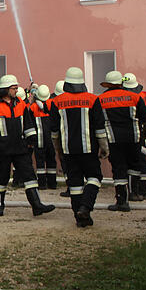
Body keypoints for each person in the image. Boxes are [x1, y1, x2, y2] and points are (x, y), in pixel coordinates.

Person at [0, 75, 54, 216]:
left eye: (17, 88)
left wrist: (31, 141)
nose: (16, 91)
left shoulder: (21, 104)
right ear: (6, 89)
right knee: (1, 178)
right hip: (3, 149)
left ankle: (37, 205)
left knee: (29, 176)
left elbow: (28, 125)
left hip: (21, 147)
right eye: (14, 88)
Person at [49, 67, 108, 227]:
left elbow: (54, 131)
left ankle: (79, 217)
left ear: (67, 82)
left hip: (68, 150)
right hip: (89, 149)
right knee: (95, 177)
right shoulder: (93, 99)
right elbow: (100, 127)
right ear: (82, 82)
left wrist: (58, 149)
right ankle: (86, 207)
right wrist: (104, 147)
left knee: (74, 184)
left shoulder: (56, 102)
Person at [97, 71, 146, 212]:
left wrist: (100, 144)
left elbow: (97, 121)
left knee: (119, 168)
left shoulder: (100, 99)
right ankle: (134, 193)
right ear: (121, 83)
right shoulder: (135, 97)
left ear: (107, 84)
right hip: (134, 138)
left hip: (113, 139)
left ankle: (121, 201)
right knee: (134, 165)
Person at [121, 73, 146, 200]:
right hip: (143, 130)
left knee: (135, 161)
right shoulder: (142, 95)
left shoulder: (132, 97)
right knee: (141, 160)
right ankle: (143, 190)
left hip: (136, 132)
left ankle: (138, 189)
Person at [29, 85, 58, 189]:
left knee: (40, 162)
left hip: (39, 139)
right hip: (50, 138)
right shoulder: (52, 104)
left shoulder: (32, 107)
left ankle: (41, 184)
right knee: (51, 160)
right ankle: (52, 183)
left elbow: (30, 123)